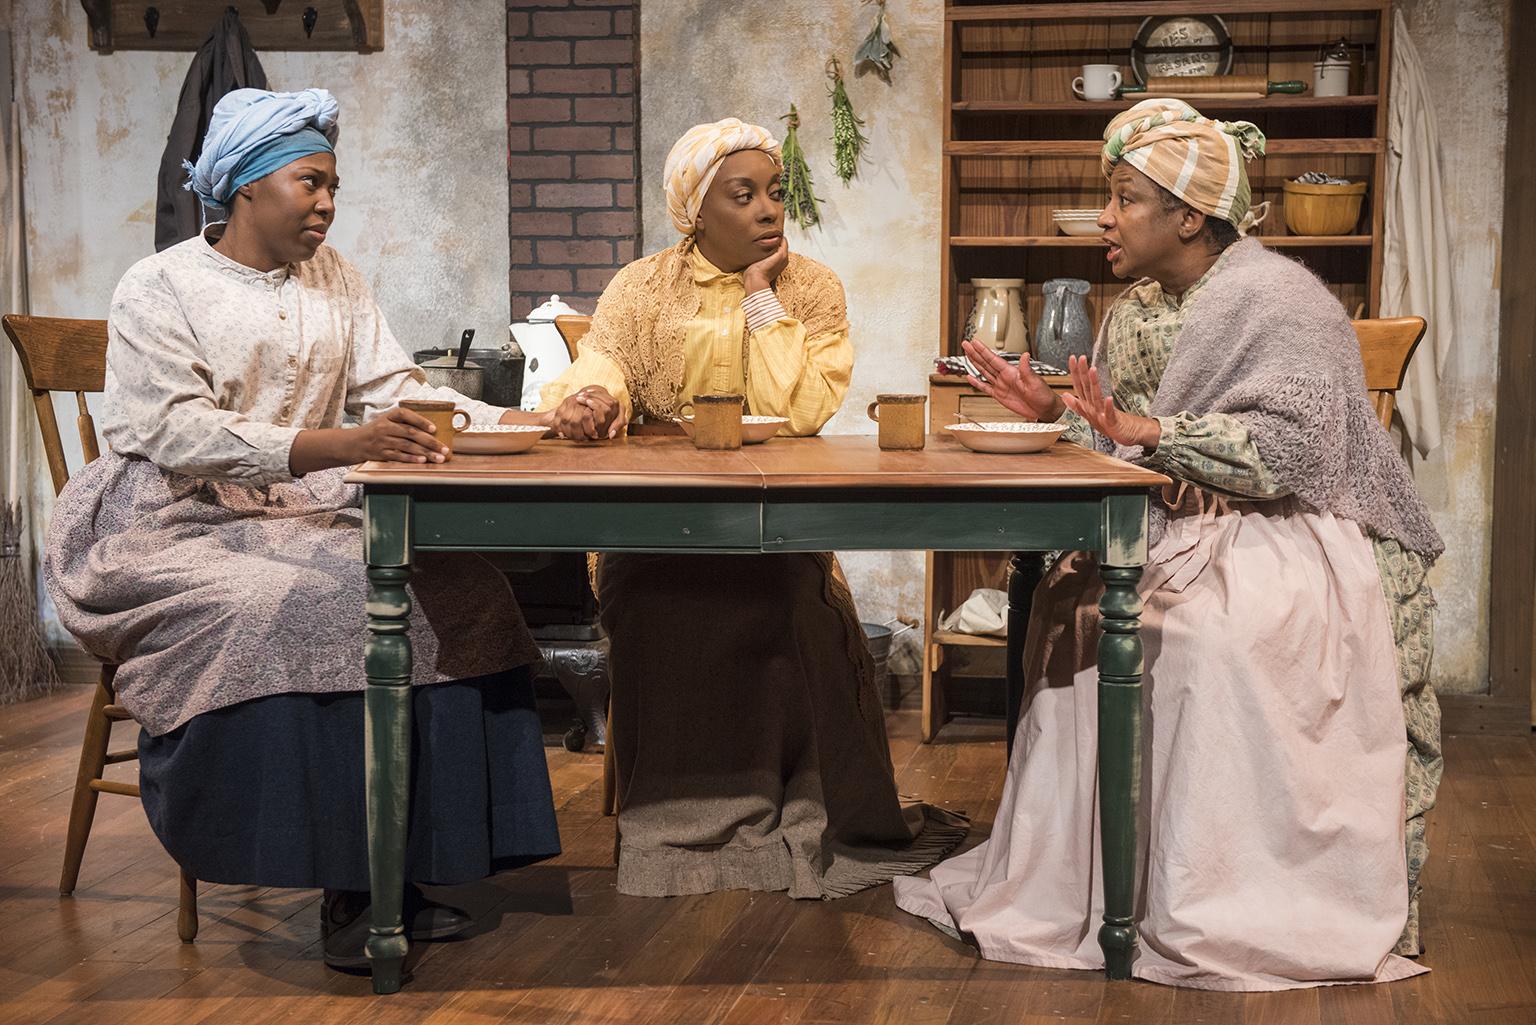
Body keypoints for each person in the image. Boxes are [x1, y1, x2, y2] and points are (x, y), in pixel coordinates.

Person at [894, 98, 1443, 991]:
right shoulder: (1141, 308)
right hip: (1177, 522)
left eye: (1123, 198)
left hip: (1289, 532)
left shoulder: (1283, 300)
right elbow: (1122, 444)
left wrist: (1141, 429)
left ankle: (1222, 888)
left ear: (1190, 215)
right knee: (1076, 615)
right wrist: (1056, 414)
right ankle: (1120, 881)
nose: (1105, 217)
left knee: (1208, 643)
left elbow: (1287, 454)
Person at [44, 88, 561, 971]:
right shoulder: (159, 285)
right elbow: (176, 432)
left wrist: (539, 415)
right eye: (308, 182)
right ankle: (341, 882)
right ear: (245, 187)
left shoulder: (336, 277)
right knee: (301, 605)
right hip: (174, 519)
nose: (327, 203)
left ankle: (414, 862)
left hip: (305, 510)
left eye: (333, 186)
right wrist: (336, 443)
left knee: (464, 588)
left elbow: (398, 390)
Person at [537, 117, 967, 899]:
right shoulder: (641, 286)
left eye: (775, 192)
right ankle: (672, 819)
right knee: (651, 599)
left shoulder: (812, 286)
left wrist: (762, 295)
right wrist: (588, 394)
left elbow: (797, 407)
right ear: (698, 209)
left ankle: (799, 807)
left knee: (788, 597)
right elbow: (600, 361)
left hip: (776, 514)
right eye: (745, 195)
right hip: (659, 523)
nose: (769, 209)